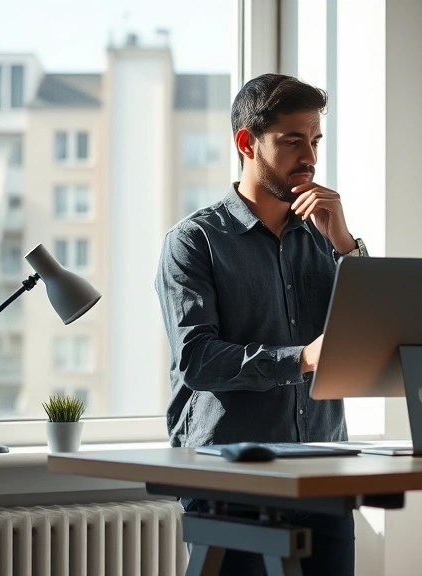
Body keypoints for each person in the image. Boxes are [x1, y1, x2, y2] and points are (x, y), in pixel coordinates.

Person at [154, 73, 367, 576]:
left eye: (314, 140)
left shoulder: (324, 239)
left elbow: (370, 332)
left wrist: (346, 246)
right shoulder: (194, 242)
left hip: (321, 471)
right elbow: (197, 360)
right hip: (229, 481)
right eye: (293, 141)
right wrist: (302, 358)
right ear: (247, 143)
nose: (309, 156)